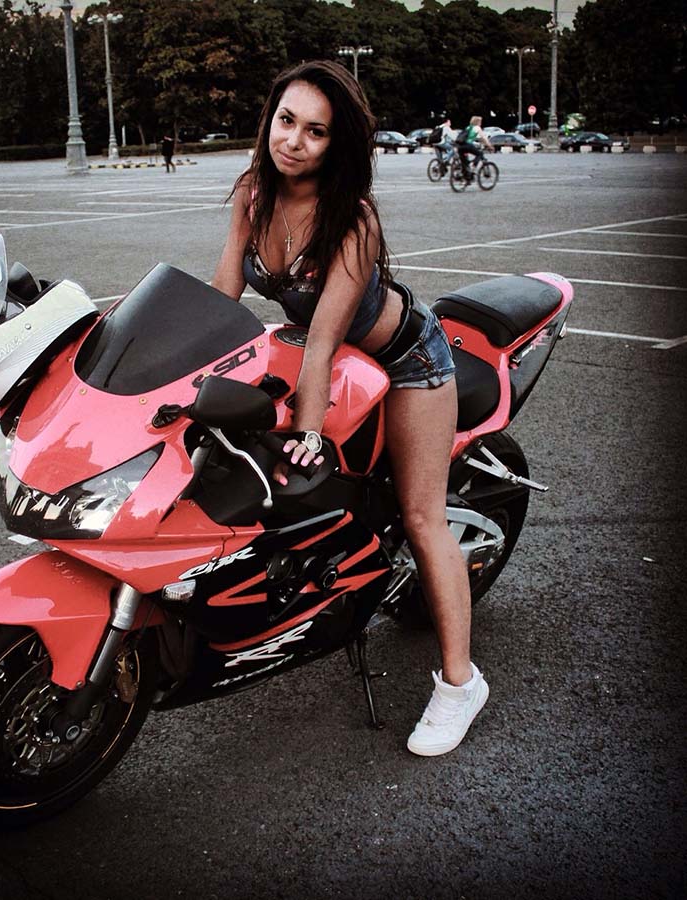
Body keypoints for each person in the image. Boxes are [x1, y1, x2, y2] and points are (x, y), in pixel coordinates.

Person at [211, 60, 488, 757]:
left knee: (424, 516)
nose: (294, 141)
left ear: (338, 145)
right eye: (286, 121)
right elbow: (221, 300)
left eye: (316, 131)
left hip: (406, 362)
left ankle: (461, 684)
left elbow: (327, 338)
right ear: (268, 118)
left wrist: (307, 428)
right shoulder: (252, 194)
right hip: (327, 354)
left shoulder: (351, 221)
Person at [457, 115, 493, 182]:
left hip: (460, 146)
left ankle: (465, 176)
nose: (481, 123)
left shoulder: (468, 127)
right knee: (480, 154)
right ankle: (473, 165)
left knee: (464, 163)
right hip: (467, 145)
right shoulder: (477, 128)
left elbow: (476, 138)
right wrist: (489, 145)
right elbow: (483, 137)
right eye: (480, 121)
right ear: (478, 122)